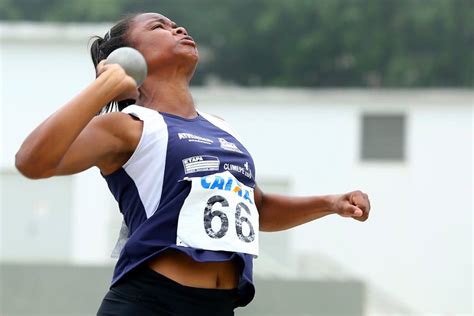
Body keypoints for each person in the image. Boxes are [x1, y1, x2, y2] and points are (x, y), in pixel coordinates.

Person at [15, 12, 371, 316]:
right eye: (160, 27)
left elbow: (257, 208)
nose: (178, 29)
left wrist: (329, 203)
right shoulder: (130, 126)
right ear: (129, 56)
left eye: (177, 24)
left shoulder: (221, 129)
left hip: (218, 307)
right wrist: (105, 87)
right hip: (150, 302)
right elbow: (32, 161)